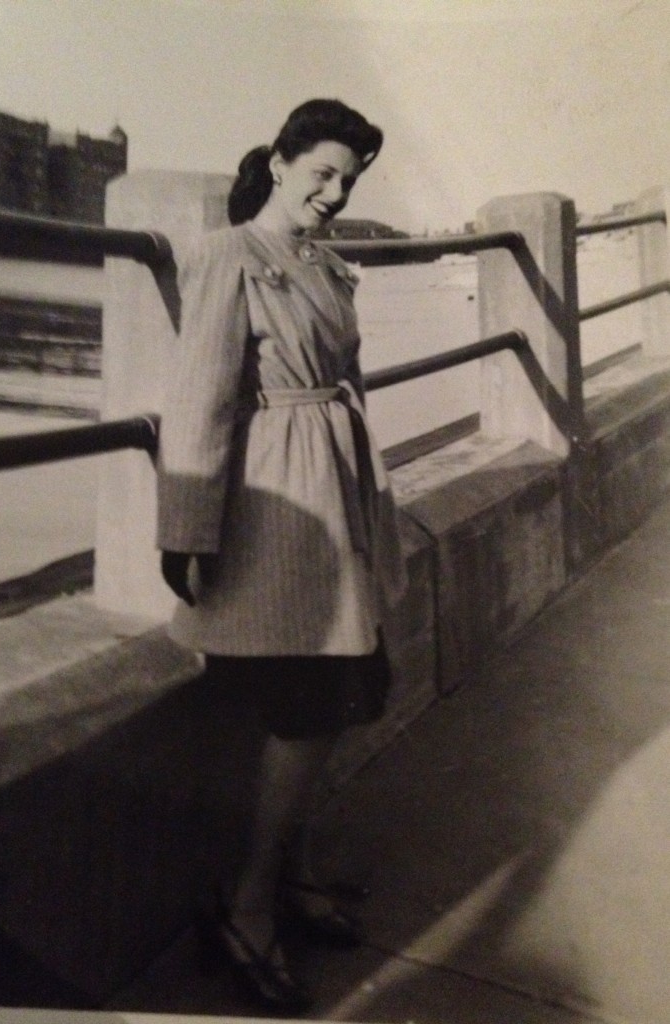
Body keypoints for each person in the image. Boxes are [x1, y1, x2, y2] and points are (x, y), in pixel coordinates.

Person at [156, 98, 407, 1013]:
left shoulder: (325, 265)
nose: (335, 194)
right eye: (323, 175)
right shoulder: (232, 257)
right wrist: (185, 530)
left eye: (349, 180)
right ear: (278, 161)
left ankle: (290, 881)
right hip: (278, 514)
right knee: (306, 703)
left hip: (336, 495)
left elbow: (347, 384)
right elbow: (197, 401)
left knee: (342, 691)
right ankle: (248, 908)